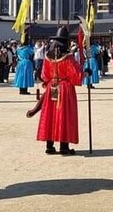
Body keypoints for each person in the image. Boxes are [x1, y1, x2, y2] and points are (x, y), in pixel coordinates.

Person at [36, 27, 86, 155]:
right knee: (64, 115)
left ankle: (49, 145)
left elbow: (44, 75)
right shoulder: (68, 58)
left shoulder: (47, 57)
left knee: (50, 115)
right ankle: (64, 146)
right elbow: (76, 75)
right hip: (65, 89)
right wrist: (86, 72)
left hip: (51, 87)